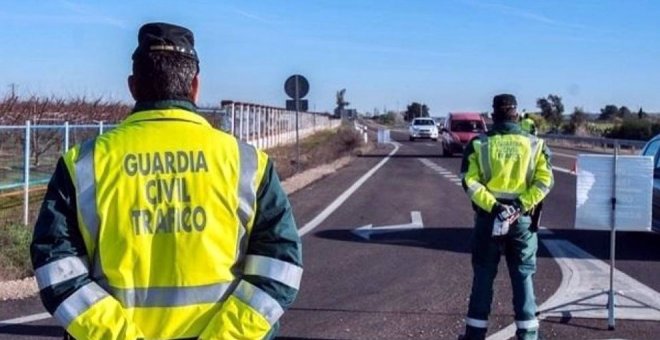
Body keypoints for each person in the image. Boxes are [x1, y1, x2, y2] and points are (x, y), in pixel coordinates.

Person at [30, 22, 303, 339]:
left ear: (133, 86)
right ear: (195, 86)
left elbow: (57, 269)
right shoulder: (248, 164)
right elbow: (280, 268)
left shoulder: (83, 164)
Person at [459, 94, 553, 340]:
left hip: (490, 219)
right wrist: (520, 205)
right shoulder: (534, 144)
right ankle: (529, 336)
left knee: (483, 276)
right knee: (523, 276)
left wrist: (495, 207)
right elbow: (545, 182)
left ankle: (474, 335)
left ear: (493, 115)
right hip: (522, 220)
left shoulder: (480, 144)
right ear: (517, 114)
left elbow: (469, 182)